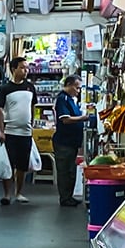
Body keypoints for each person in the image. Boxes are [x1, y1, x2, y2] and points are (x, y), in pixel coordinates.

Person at [0, 58, 38, 205]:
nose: (26, 70)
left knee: (22, 165)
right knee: (8, 164)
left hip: (25, 132)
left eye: (27, 68)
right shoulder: (5, 89)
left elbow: (32, 107)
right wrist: (1, 130)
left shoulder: (30, 87)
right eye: (22, 68)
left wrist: (31, 124)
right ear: (13, 69)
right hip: (10, 131)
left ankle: (18, 192)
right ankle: (7, 194)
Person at [52, 74, 86, 208]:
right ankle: (65, 198)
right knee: (65, 171)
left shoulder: (71, 99)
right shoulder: (63, 99)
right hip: (63, 142)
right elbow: (65, 119)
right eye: (77, 88)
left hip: (71, 142)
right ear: (70, 85)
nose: (78, 91)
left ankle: (69, 196)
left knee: (70, 170)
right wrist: (82, 118)